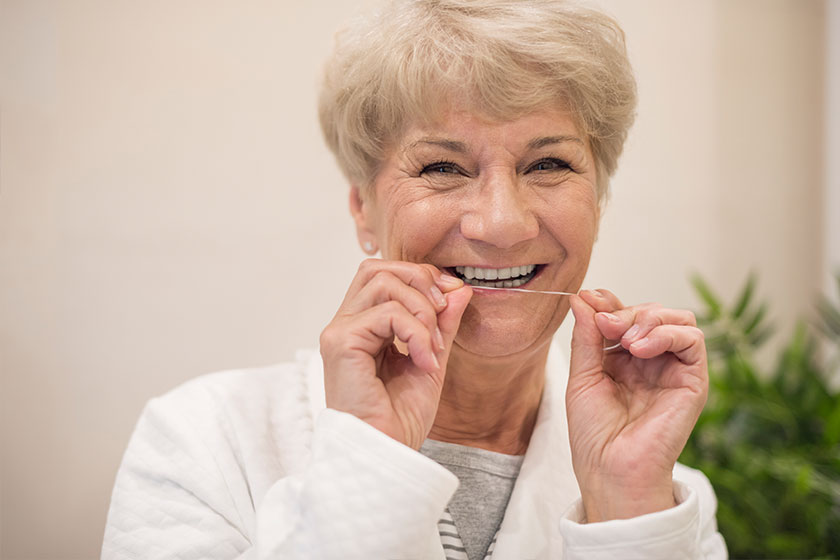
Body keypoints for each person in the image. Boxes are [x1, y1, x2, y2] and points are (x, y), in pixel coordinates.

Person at [102, 1, 727, 558]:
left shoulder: (662, 497)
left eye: (548, 164)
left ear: (599, 201)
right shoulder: (202, 441)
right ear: (362, 211)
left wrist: (623, 510)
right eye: (442, 167)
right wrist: (368, 464)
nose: (502, 225)